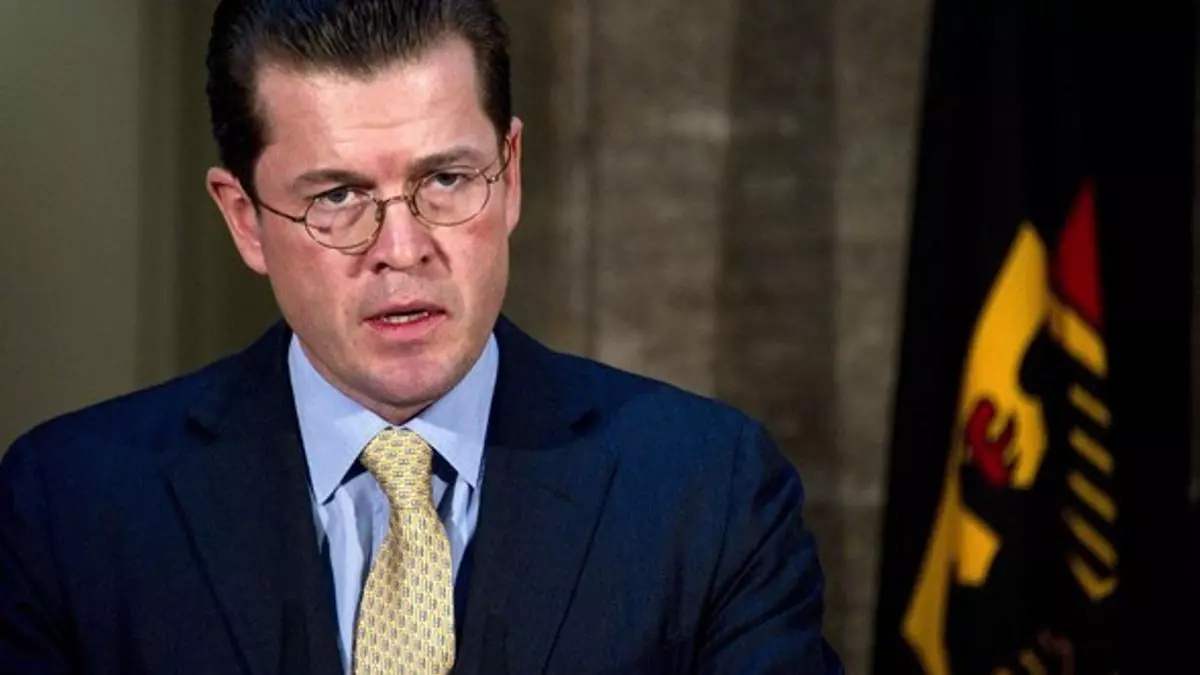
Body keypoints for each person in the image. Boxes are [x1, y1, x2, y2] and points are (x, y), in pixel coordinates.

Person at [0, 1, 843, 673]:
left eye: (445, 178)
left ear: (510, 175)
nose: (402, 249)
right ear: (245, 219)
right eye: (336, 197)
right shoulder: (71, 507)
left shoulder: (706, 491)